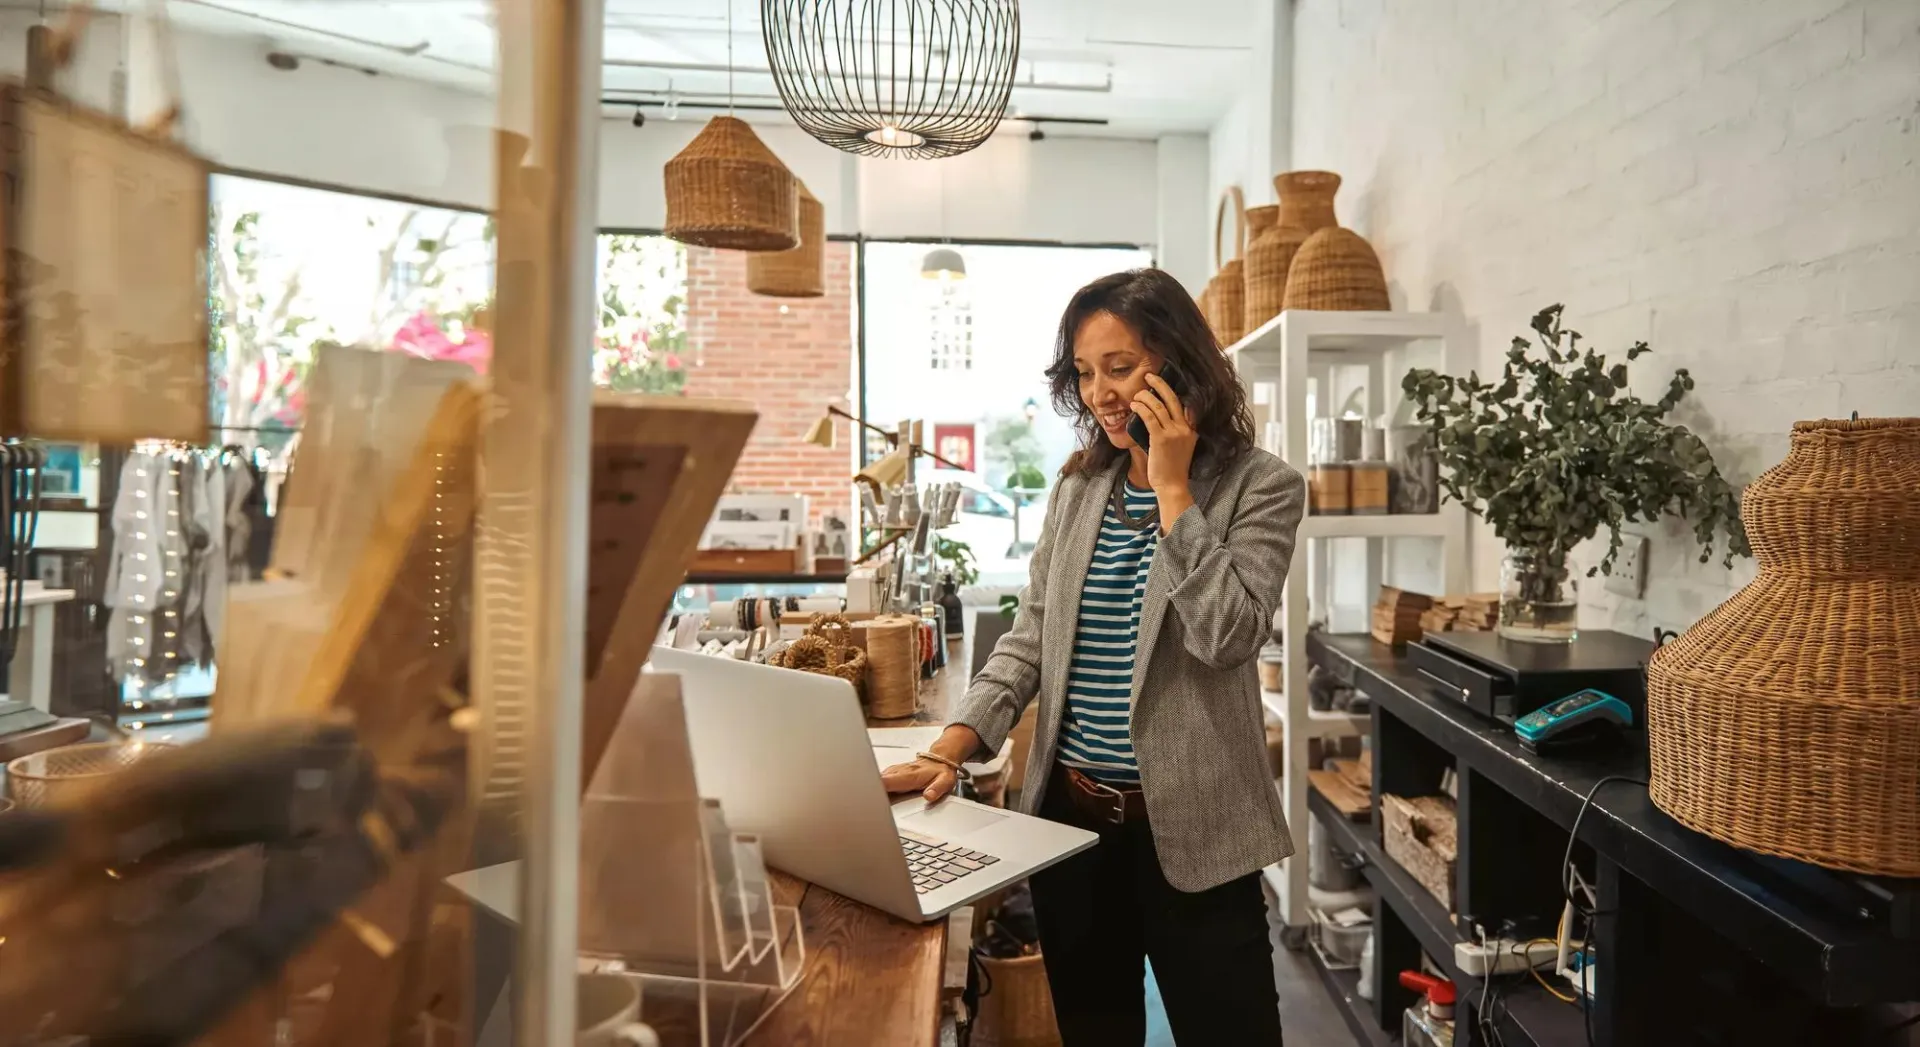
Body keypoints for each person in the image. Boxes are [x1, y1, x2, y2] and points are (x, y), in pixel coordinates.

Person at [881, 267, 1306, 1045]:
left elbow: (1228, 635)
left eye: (1120, 366)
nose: (1101, 392)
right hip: (1072, 834)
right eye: (1085, 372)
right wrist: (955, 741)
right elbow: (1030, 638)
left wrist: (1174, 492)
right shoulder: (1079, 491)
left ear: (1180, 365)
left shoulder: (1261, 486)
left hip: (1201, 836)